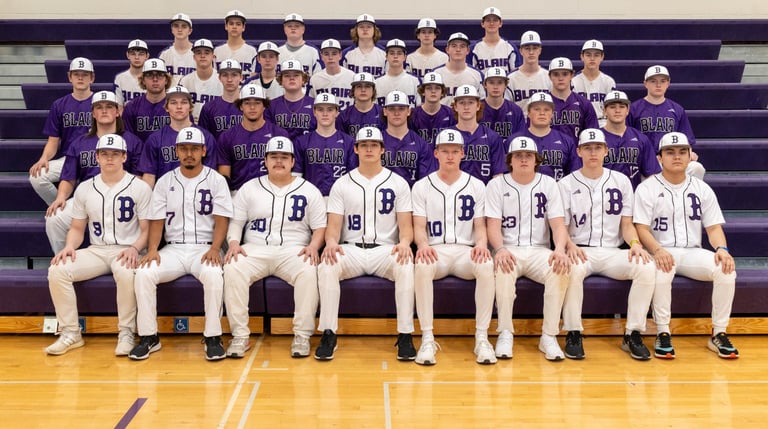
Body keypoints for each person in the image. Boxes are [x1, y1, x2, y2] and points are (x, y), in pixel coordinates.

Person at [130, 127, 233, 361]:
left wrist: (216, 249)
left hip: (205, 247)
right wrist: (153, 250)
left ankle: (213, 336)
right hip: (174, 248)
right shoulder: (165, 181)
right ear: (176, 151)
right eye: (184, 148)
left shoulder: (216, 180)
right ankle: (149, 336)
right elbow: (157, 220)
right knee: (144, 273)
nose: (189, 153)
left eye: (194, 149)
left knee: (214, 275)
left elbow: (222, 220)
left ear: (204, 151)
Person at [45, 134, 152, 356]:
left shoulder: (140, 187)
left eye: (115, 154)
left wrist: (135, 248)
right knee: (57, 270)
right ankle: (70, 333)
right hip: (96, 250)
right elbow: (77, 228)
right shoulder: (85, 188)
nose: (109, 158)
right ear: (97, 157)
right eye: (105, 154)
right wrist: (70, 247)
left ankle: (126, 332)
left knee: (125, 272)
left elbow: (146, 230)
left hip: (127, 249)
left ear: (124, 156)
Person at [634, 132, 739, 359]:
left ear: (691, 155)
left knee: (726, 269)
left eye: (682, 152)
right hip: (661, 250)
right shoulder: (647, 187)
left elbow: (713, 228)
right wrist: (657, 250)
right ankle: (663, 331)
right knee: (661, 269)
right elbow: (640, 228)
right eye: (670, 152)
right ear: (660, 158)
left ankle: (719, 333)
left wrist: (722, 249)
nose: (677, 157)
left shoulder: (702, 188)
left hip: (692, 251)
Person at [316, 126, 415, 361]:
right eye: (364, 145)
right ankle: (329, 332)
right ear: (356, 149)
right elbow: (333, 227)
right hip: (351, 249)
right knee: (327, 265)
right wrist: (330, 243)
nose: (369, 149)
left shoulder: (398, 183)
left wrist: (404, 243)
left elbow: (406, 227)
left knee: (406, 265)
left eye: (373, 145)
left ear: (382, 149)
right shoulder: (342, 183)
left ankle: (405, 334)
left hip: (385, 249)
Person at [223, 136, 326, 358]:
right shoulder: (249, 188)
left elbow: (319, 227)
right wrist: (233, 243)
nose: (279, 161)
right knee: (232, 268)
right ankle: (240, 336)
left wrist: (314, 246)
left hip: (294, 249)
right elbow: (237, 222)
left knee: (309, 270)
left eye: (284, 157)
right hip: (255, 247)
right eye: (274, 157)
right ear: (265, 161)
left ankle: (302, 335)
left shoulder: (309, 190)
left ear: (292, 161)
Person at [559, 128, 657, 361]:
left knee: (647, 267)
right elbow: (560, 225)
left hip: (613, 251)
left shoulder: (621, 181)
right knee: (571, 269)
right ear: (579, 151)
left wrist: (634, 243)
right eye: (588, 148)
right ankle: (574, 332)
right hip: (581, 250)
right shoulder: (565, 184)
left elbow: (627, 224)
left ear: (606, 150)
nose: (593, 152)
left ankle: (632, 332)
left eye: (597, 148)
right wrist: (569, 245)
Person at [412, 129, 495, 365]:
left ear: (462, 153)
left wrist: (481, 243)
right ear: (436, 153)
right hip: (436, 250)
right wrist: (423, 245)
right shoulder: (421, 186)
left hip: (464, 252)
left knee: (486, 264)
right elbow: (419, 226)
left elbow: (480, 225)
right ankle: (427, 338)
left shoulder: (477, 185)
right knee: (422, 266)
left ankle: (482, 338)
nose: (450, 156)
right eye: (445, 151)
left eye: (455, 151)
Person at [486, 136, 570, 361]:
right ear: (510, 160)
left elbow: (558, 224)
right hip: (508, 248)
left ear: (536, 160)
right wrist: (500, 249)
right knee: (503, 270)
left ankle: (549, 335)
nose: (523, 159)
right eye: (518, 156)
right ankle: (505, 332)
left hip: (539, 250)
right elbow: (492, 225)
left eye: (528, 155)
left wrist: (560, 248)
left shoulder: (549, 183)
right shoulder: (496, 184)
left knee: (560, 268)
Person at [45, 91, 143, 254]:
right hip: (87, 196)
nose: (104, 111)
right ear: (93, 113)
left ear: (118, 112)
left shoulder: (133, 142)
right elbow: (69, 177)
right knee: (55, 218)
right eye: (99, 107)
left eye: (109, 107)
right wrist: (61, 197)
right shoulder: (79, 143)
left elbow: (140, 177)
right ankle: (63, 257)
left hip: (122, 197)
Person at [30, 57, 95, 206]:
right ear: (69, 77)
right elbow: (53, 141)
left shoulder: (101, 103)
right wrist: (44, 158)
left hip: (95, 158)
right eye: (76, 74)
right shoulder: (59, 105)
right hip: (69, 159)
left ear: (92, 78)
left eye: (85, 74)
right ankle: (61, 207)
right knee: (37, 177)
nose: (80, 77)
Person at [628, 65, 705, 179]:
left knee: (696, 168)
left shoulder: (677, 109)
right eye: (653, 81)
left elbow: (686, 139)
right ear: (645, 84)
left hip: (671, 157)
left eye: (662, 81)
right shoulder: (634, 109)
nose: (658, 85)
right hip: (644, 160)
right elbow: (627, 136)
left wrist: (689, 153)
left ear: (668, 83)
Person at [138, 86, 217, 188]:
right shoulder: (155, 139)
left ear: (191, 107)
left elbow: (210, 175)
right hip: (165, 196)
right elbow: (149, 176)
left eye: (184, 102)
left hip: (197, 195)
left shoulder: (206, 137)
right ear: (166, 107)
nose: (179, 106)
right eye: (173, 102)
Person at [216, 84, 289, 191]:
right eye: (247, 103)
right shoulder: (227, 136)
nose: (252, 107)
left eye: (257, 103)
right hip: (238, 193)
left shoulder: (279, 134)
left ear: (264, 105)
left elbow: (285, 171)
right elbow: (224, 177)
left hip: (272, 193)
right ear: (240, 106)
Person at [294, 93, 357, 197]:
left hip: (341, 198)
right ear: (314, 112)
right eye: (320, 109)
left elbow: (353, 177)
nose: (325, 114)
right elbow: (296, 177)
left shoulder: (349, 142)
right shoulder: (301, 141)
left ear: (337, 112)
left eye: (330, 109)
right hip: (310, 198)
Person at [506, 92, 578, 181]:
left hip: (558, 191)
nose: (542, 113)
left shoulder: (566, 141)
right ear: (528, 113)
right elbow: (506, 174)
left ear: (552, 114)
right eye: (537, 109)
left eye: (546, 109)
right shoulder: (513, 141)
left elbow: (574, 175)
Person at [600, 90, 660, 189]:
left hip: (633, 195)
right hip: (602, 195)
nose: (617, 110)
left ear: (628, 110)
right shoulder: (597, 139)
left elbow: (652, 174)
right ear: (605, 111)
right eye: (612, 107)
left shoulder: (641, 138)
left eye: (622, 107)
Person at [447, 85, 506, 184]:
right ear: (456, 107)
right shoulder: (445, 136)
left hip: (485, 193)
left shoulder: (492, 137)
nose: (466, 107)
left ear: (478, 106)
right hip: (452, 192)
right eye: (462, 103)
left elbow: (498, 175)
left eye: (471, 102)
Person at [381, 90, 435, 187]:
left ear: (408, 111)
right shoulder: (377, 142)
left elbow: (426, 182)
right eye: (392, 109)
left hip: (411, 198)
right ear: (385, 111)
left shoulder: (421, 145)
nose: (396, 113)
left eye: (401, 108)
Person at [121, 58, 172, 142]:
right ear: (143, 80)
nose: (155, 79)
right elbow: (128, 141)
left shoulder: (176, 106)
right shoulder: (132, 107)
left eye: (159, 75)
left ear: (166, 80)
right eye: (150, 75)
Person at [548, 57, 599, 139]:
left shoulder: (584, 103)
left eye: (565, 74)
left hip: (577, 150)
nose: (560, 78)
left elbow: (593, 135)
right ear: (550, 76)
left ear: (572, 75)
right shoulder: (542, 104)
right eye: (556, 74)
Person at [265, 60, 316, 141]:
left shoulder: (315, 104)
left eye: (296, 75)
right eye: (287, 75)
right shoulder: (272, 106)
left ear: (303, 79)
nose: (292, 78)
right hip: (280, 151)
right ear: (281, 80)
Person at [572, 40, 616, 127]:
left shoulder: (608, 81)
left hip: (603, 123)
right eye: (588, 55)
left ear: (602, 57)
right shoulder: (574, 81)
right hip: (581, 124)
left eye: (596, 55)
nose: (592, 58)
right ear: (582, 56)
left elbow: (613, 108)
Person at [431, 32, 484, 105]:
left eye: (462, 46)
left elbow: (482, 102)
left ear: (468, 50)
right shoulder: (436, 74)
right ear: (447, 50)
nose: (458, 49)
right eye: (454, 46)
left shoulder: (477, 75)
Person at [198, 59, 244, 139]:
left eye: (234, 75)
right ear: (219, 77)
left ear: (241, 77)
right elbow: (204, 139)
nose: (229, 80)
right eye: (225, 75)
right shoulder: (208, 108)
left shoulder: (250, 107)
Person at [178, 39, 223, 122]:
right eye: (198, 53)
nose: (202, 56)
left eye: (207, 52)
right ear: (194, 57)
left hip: (214, 125)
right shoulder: (185, 81)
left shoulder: (222, 80)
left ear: (213, 56)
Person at [506, 31, 549, 113]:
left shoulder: (549, 77)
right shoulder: (510, 79)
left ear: (540, 50)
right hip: (519, 124)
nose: (531, 52)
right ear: (521, 51)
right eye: (527, 48)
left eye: (535, 48)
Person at [469, 7, 521, 74]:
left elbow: (516, 74)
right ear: (482, 23)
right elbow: (470, 73)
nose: (491, 23)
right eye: (488, 20)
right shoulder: (474, 49)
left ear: (500, 23)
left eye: (495, 20)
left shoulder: (510, 47)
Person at [409, 72, 456, 145]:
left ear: (442, 92)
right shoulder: (414, 114)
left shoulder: (450, 113)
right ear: (423, 92)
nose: (433, 91)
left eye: (437, 88)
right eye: (429, 88)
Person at [480, 66, 525, 140]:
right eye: (491, 82)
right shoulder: (477, 109)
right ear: (485, 85)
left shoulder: (516, 110)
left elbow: (520, 137)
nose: (495, 87)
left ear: (506, 85)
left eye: (500, 83)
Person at [309, 39, 355, 109]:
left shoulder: (352, 77)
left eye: (334, 54)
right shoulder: (315, 79)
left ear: (340, 55)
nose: (330, 58)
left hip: (347, 119)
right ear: (321, 56)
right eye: (326, 54)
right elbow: (311, 104)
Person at [374, 39, 421, 107]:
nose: (395, 56)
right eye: (392, 53)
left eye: (399, 53)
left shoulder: (415, 81)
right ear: (386, 56)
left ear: (405, 57)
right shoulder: (376, 82)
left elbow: (420, 109)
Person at [336, 72, 384, 137]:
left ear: (373, 91)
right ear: (353, 90)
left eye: (367, 86)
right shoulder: (344, 115)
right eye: (359, 86)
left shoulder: (382, 113)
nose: (363, 90)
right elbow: (340, 141)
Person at [213, 10, 256, 79]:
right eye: (231, 23)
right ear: (226, 26)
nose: (234, 27)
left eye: (238, 24)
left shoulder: (252, 51)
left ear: (243, 27)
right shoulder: (217, 51)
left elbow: (254, 78)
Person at [158, 13, 195, 85]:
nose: (180, 29)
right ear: (172, 29)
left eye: (184, 26)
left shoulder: (197, 53)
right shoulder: (164, 55)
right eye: (176, 26)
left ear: (190, 31)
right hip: (170, 95)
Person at [113, 39, 149, 106]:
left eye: (141, 54)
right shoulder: (120, 78)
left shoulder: (152, 79)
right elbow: (119, 107)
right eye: (133, 54)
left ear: (147, 56)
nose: (137, 57)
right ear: (127, 55)